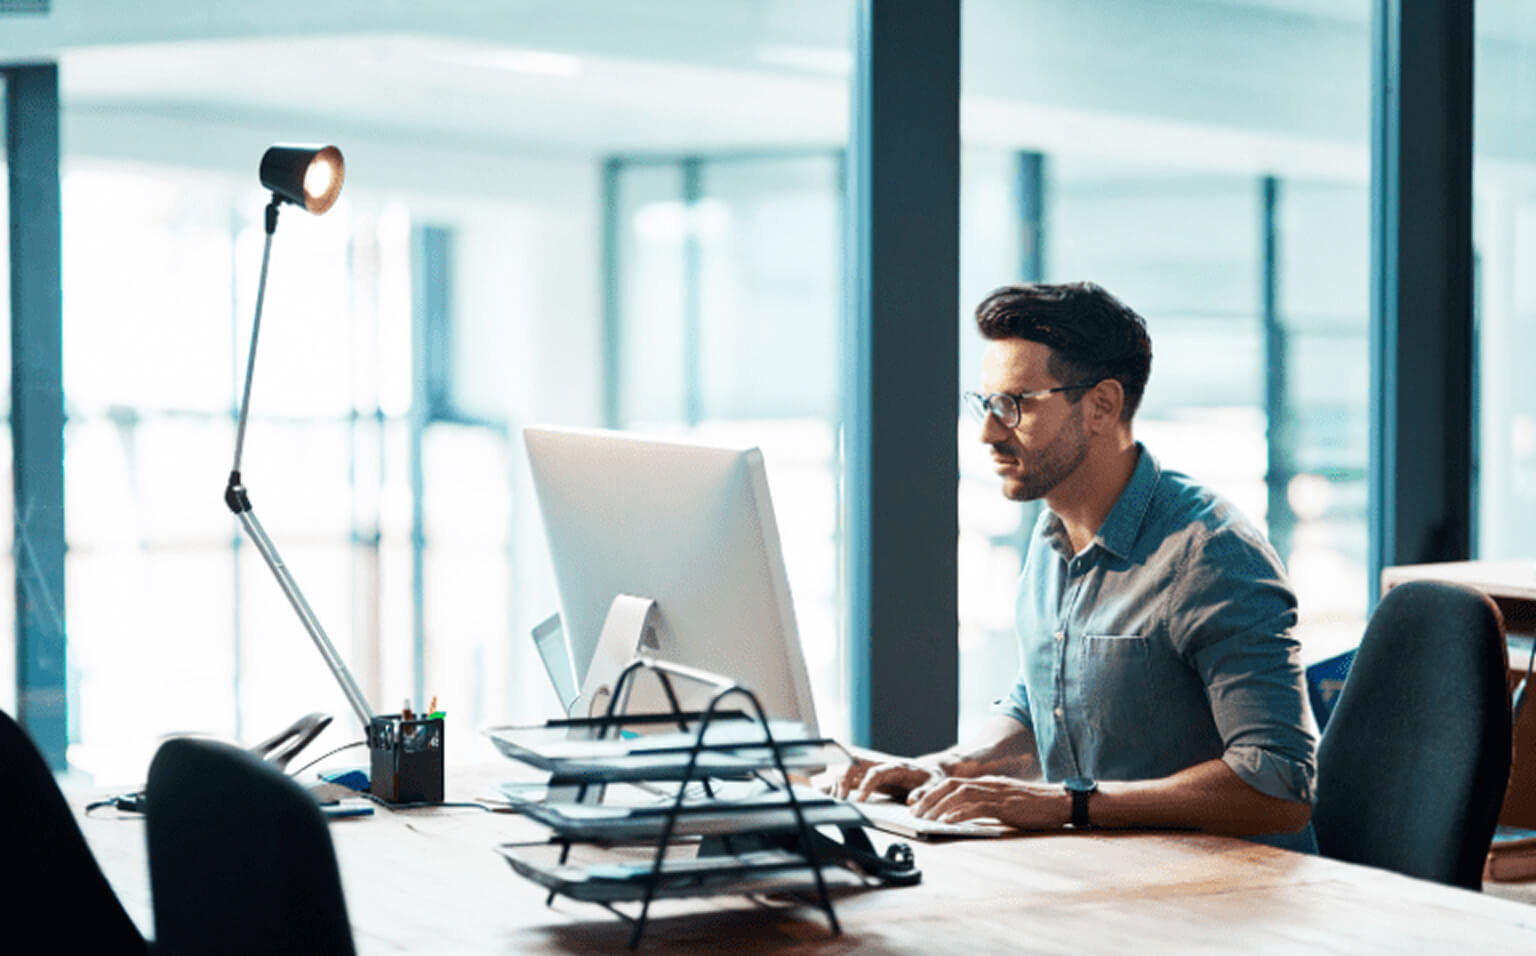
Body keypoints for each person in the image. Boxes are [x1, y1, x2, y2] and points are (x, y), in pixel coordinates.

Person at [826, 281, 1316, 849]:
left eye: (1015, 405)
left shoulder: (1211, 554)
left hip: (1227, 905)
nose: (988, 431)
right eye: (986, 404)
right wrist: (952, 769)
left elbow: (1279, 786)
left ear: (1101, 406)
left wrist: (1071, 803)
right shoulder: (1050, 537)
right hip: (1113, 877)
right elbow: (1045, 706)